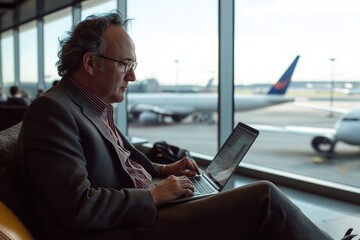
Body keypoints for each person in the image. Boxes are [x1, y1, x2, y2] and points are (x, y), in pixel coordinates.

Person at [15, 11, 357, 240]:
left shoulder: (89, 105)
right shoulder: (53, 112)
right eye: (126, 64)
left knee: (237, 202)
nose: (133, 76)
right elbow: (78, 208)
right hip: (122, 228)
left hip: (140, 209)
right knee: (263, 197)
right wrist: (154, 194)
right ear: (91, 63)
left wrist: (165, 168)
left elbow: (117, 162)